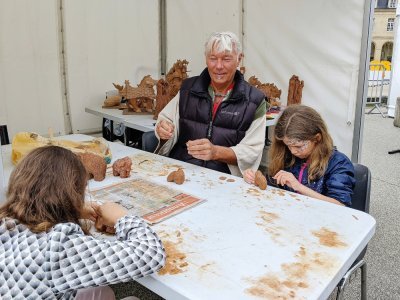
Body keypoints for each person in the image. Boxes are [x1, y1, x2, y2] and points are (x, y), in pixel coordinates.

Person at [0, 146, 165, 300]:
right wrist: (121, 217)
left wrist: (69, 210)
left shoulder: (6, 222)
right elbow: (151, 255)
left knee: (99, 289)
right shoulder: (58, 247)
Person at [155, 31, 267, 176]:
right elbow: (166, 121)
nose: (218, 66)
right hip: (181, 171)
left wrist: (216, 152)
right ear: (206, 59)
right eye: (213, 58)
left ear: (239, 59)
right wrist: (163, 131)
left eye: (226, 59)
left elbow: (252, 151)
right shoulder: (188, 89)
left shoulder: (255, 100)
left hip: (223, 179)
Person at [243, 105, 355, 206]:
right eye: (288, 146)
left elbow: (340, 205)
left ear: (317, 138)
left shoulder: (338, 163)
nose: (293, 151)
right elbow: (275, 185)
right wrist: (256, 179)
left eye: (298, 146)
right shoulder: (289, 157)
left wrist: (299, 187)